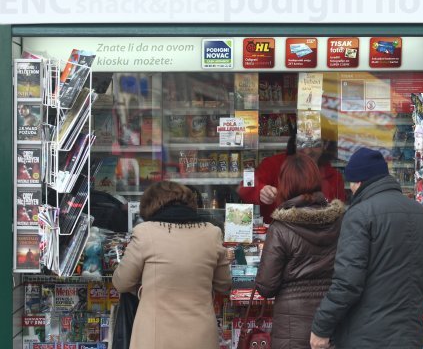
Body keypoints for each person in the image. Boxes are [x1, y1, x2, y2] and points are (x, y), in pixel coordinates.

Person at [310, 148, 423, 349]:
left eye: (351, 183)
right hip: (409, 336)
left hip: (367, 337)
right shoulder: (422, 215)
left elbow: (347, 283)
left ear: (359, 182)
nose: (350, 189)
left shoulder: (359, 215)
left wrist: (321, 327)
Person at [112, 181, 231, 349]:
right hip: (200, 334)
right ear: (190, 203)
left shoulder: (145, 232)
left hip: (154, 335)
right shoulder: (212, 233)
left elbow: (121, 283)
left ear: (149, 205)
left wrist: (141, 286)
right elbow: (224, 285)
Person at [255, 154, 345, 349]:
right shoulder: (340, 223)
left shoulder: (281, 228)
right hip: (331, 325)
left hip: (291, 330)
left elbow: (266, 286)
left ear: (285, 184)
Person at [237, 130, 346, 223]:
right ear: (294, 142)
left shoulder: (334, 177)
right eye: (302, 143)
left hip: (318, 241)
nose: (307, 150)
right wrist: (261, 190)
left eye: (315, 143)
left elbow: (338, 216)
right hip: (278, 237)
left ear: (325, 145)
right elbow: (244, 187)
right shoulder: (273, 164)